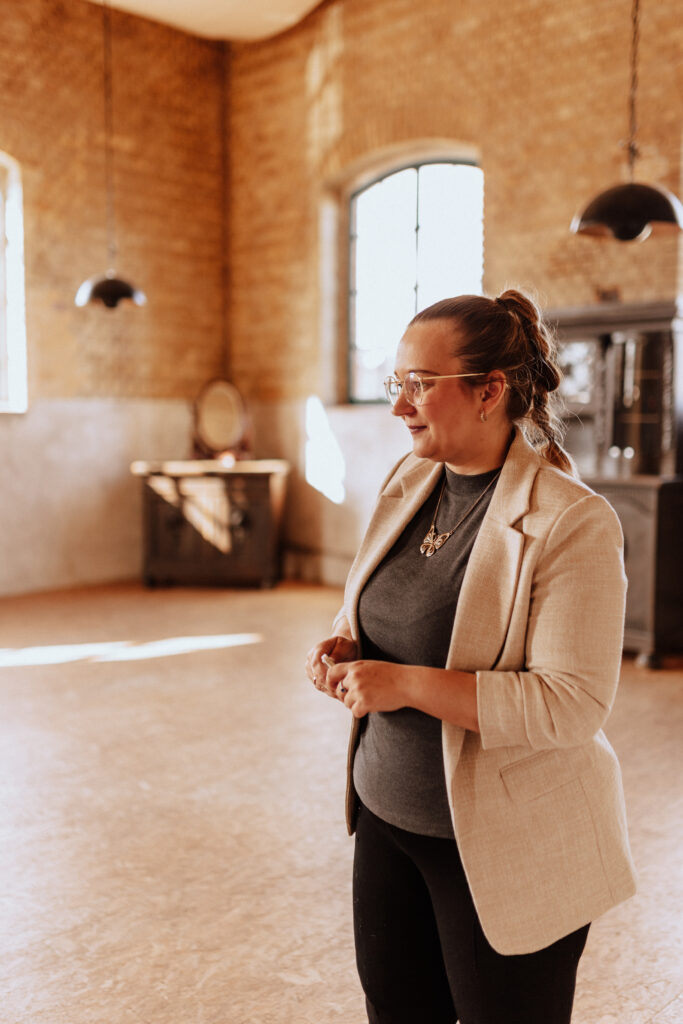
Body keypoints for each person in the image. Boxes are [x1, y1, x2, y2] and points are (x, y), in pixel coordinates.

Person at [305, 289, 636, 1024]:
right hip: (386, 818)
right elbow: (380, 602)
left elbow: (569, 704)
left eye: (419, 384)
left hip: (506, 841)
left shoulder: (571, 521)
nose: (400, 406)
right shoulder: (407, 480)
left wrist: (404, 683)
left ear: (489, 391)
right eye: (398, 384)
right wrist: (347, 644)